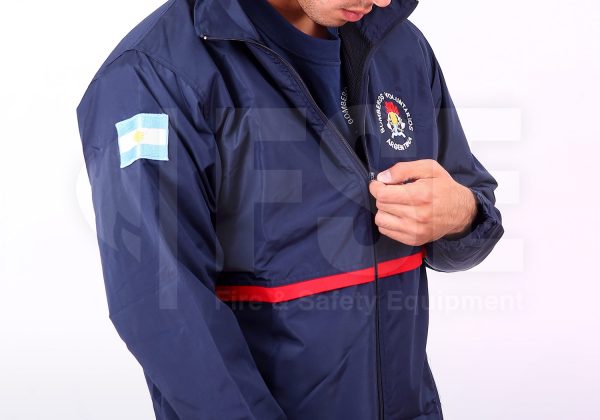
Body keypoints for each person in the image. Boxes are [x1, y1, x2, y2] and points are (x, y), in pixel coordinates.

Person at [75, 0, 504, 418]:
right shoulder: (153, 76)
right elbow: (164, 310)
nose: (382, 0)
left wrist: (462, 215)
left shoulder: (399, 46)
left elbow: (473, 208)